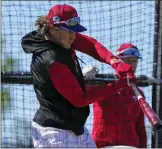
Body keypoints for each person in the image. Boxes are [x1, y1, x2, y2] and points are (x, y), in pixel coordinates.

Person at [21, 4, 136, 148]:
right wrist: (118, 85)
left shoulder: (59, 37)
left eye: (75, 31)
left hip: (76, 129)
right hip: (54, 134)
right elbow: (81, 99)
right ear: (52, 28)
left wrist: (115, 62)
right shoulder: (51, 60)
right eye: (69, 31)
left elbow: (91, 45)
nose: (73, 36)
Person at [91, 43, 147, 148]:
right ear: (118, 62)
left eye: (135, 61)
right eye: (128, 60)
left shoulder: (138, 93)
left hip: (130, 146)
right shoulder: (102, 85)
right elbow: (83, 93)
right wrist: (87, 76)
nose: (132, 65)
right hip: (104, 145)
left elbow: (140, 129)